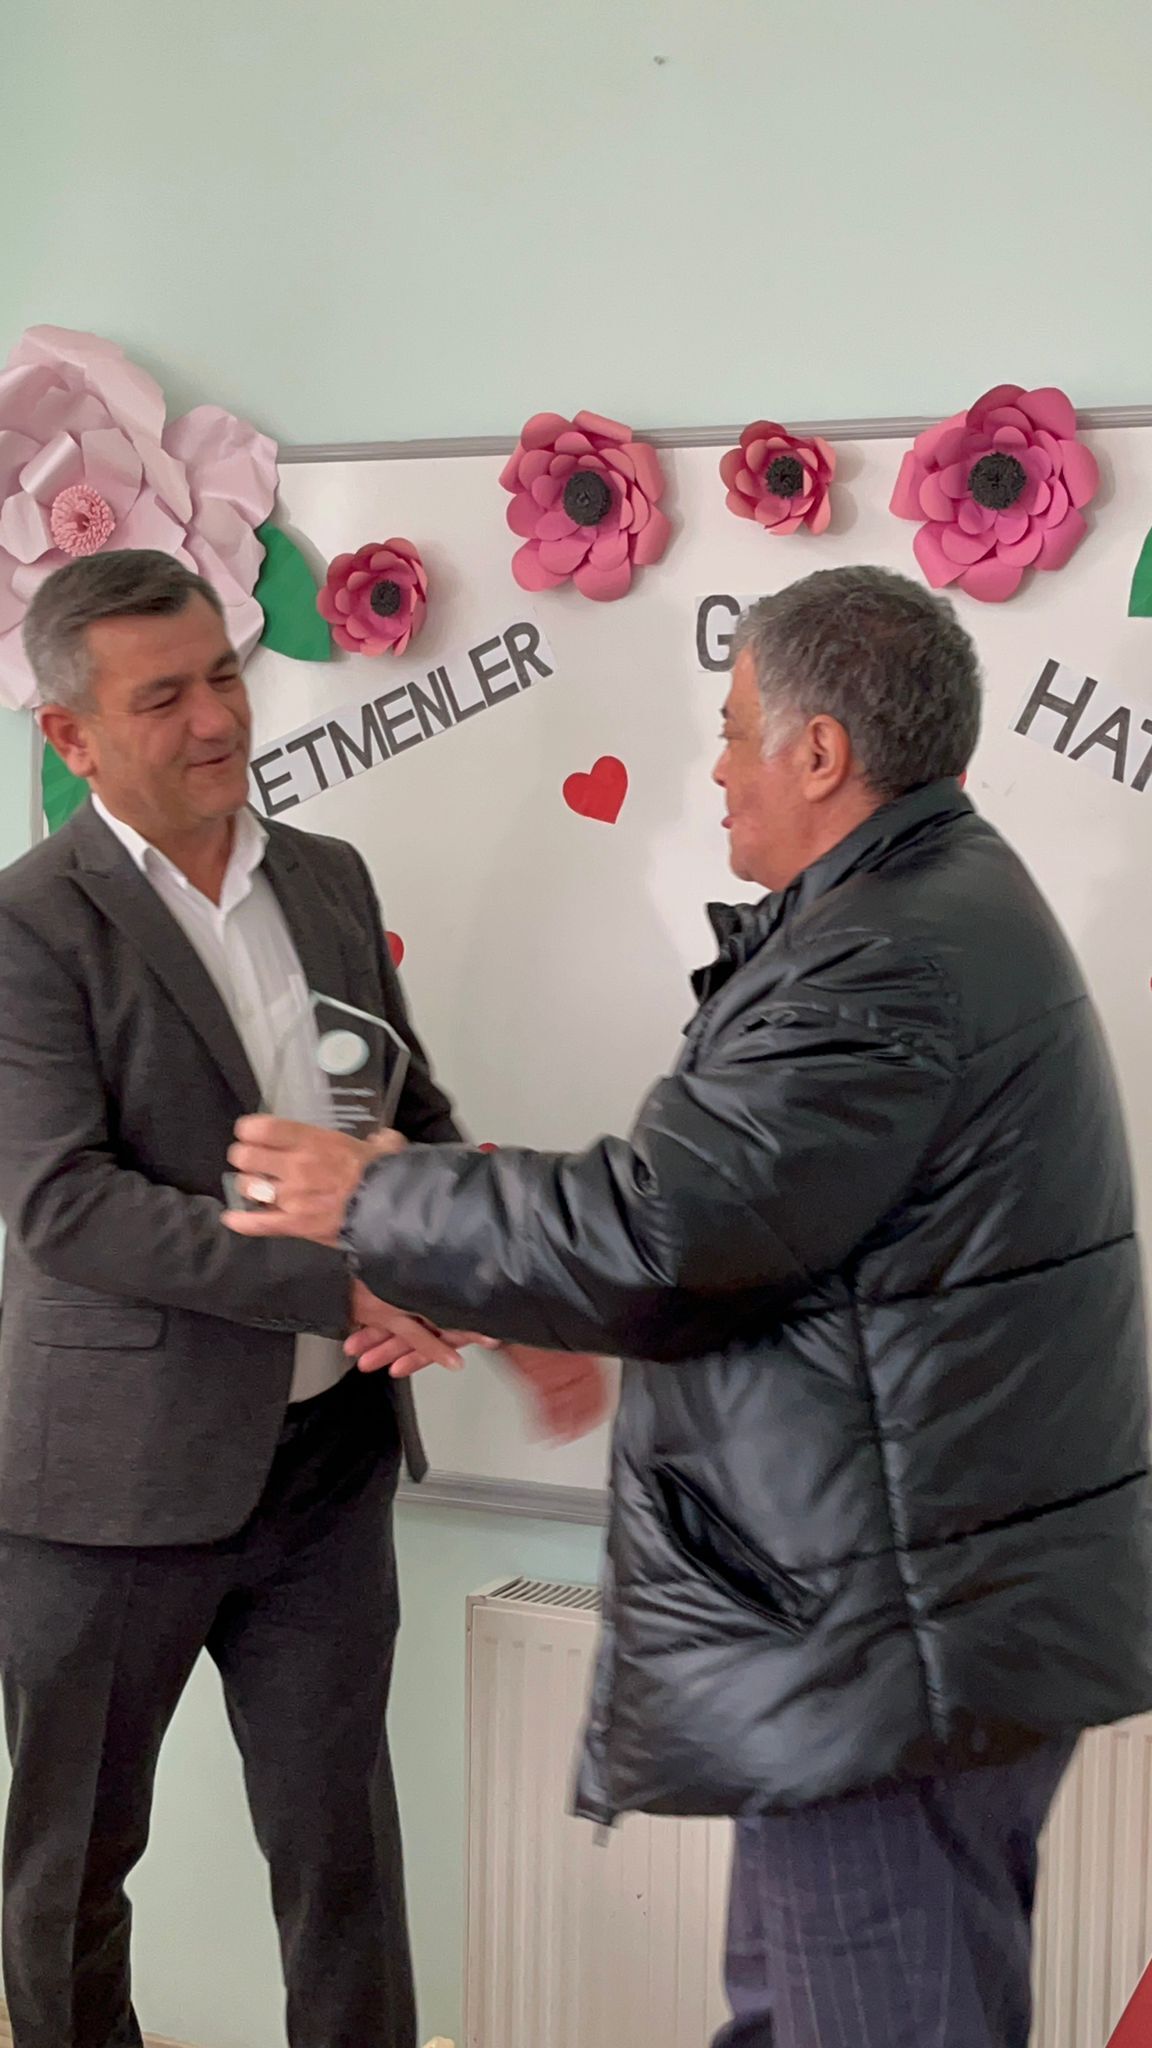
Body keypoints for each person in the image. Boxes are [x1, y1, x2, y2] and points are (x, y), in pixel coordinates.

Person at [226, 564, 1152, 2048]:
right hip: (893, 1627)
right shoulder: (917, 908)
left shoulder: (883, 957)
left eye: (731, 730)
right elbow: (755, 1238)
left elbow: (668, 1234)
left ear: (820, 752)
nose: (715, 768)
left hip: (889, 1650)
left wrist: (375, 1199)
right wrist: (466, 1287)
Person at [0, 549, 605, 2048]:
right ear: (70, 736)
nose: (216, 718)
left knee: (342, 1859)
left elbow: (410, 1116)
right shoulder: (28, 924)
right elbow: (68, 1206)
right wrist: (350, 1284)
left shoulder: (327, 877)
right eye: (162, 698)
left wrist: (502, 1293)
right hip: (109, 1492)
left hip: (326, 1472)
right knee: (73, 1875)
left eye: (224, 674)